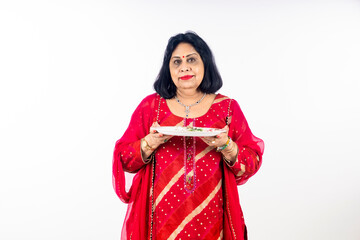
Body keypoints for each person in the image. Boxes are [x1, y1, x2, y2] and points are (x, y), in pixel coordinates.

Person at [112, 31, 264, 240]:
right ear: (169, 69)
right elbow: (124, 160)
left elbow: (252, 161)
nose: (184, 67)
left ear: (205, 64)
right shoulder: (151, 107)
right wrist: (148, 143)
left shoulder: (227, 108)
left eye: (191, 59)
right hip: (161, 222)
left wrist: (228, 145)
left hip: (212, 218)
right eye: (176, 62)